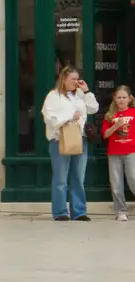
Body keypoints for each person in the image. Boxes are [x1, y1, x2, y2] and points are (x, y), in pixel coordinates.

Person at [43, 66, 98, 222]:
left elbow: (94, 108)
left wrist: (87, 92)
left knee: (78, 176)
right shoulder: (53, 96)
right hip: (60, 139)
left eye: (77, 78)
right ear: (64, 79)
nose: (76, 82)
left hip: (80, 138)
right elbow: (49, 117)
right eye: (73, 79)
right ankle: (60, 212)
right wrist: (69, 116)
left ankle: (79, 211)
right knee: (60, 178)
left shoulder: (80, 95)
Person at [103, 85, 135, 222]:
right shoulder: (110, 116)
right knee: (116, 183)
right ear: (114, 99)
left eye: (124, 97)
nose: (121, 100)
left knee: (133, 179)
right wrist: (115, 126)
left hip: (131, 151)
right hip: (114, 152)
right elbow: (105, 134)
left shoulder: (133, 113)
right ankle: (121, 211)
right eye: (119, 97)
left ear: (129, 99)